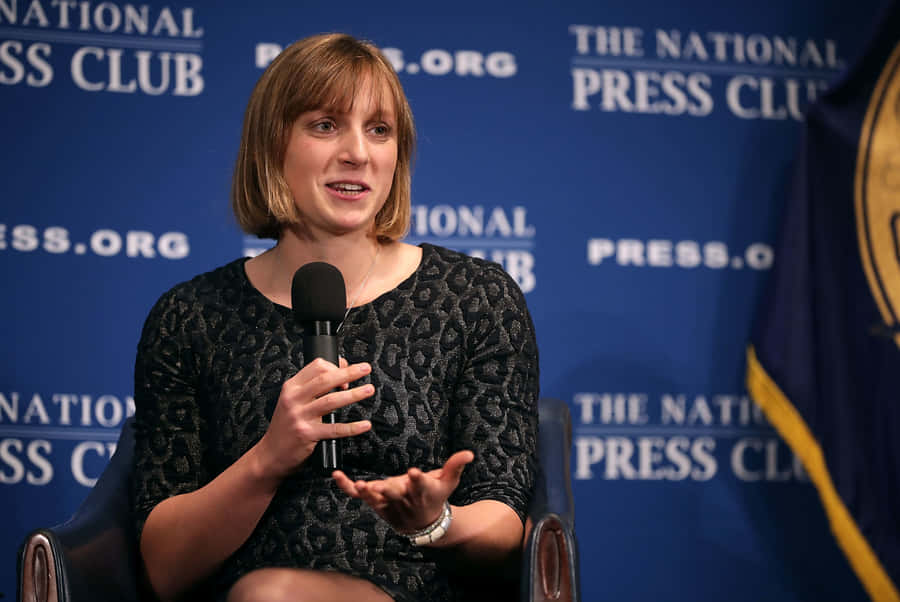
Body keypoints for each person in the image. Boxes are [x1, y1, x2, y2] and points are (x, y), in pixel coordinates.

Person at [131, 33, 539, 602]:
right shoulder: (190, 317)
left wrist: (434, 519)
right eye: (325, 125)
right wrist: (267, 460)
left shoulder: (475, 297)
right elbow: (164, 568)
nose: (358, 153)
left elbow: (507, 526)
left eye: (379, 130)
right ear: (272, 146)